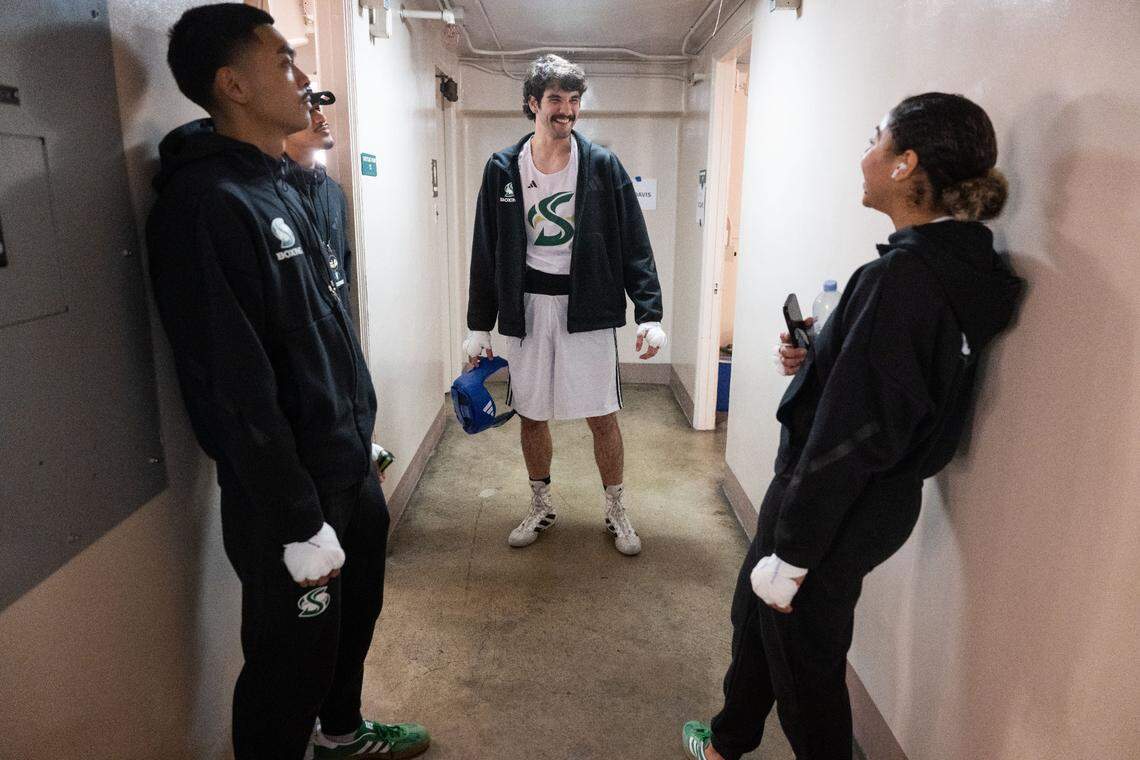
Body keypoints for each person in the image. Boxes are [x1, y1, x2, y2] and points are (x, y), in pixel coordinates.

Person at [682, 93, 1024, 760]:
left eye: (877, 139)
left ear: (905, 165)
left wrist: (797, 550)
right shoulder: (952, 268)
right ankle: (728, 742)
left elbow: (857, 434)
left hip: (836, 502)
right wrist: (821, 361)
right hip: (860, 496)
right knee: (756, 618)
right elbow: (894, 385)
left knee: (805, 666)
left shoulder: (903, 279)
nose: (864, 154)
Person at [147, 5, 428, 758]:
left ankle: (342, 734)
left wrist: (357, 440)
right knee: (285, 669)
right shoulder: (207, 206)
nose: (304, 80)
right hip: (290, 497)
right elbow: (232, 387)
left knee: (354, 620)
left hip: (344, 464)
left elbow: (316, 335)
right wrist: (299, 520)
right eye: (284, 63)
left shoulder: (284, 188)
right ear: (233, 85)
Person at [464, 54, 667, 556]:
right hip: (527, 309)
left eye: (574, 101)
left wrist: (650, 312)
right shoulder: (503, 168)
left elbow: (634, 241)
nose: (567, 111)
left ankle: (616, 507)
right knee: (532, 414)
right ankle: (541, 503)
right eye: (556, 100)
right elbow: (485, 247)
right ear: (532, 103)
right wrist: (478, 324)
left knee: (603, 414)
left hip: (588, 309)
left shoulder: (600, 165)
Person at [284, 101, 355, 304]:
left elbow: (343, 260)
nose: (321, 118)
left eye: (318, 109)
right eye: (308, 112)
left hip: (336, 321)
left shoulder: (333, 191)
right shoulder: (272, 194)